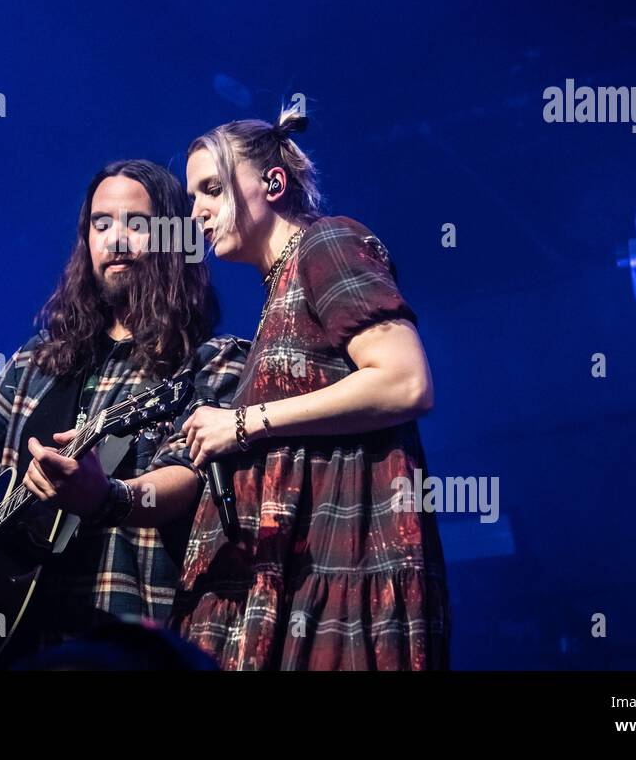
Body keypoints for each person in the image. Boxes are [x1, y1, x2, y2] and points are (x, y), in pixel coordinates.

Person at [0, 159, 248, 662]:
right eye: (100, 223)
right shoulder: (37, 361)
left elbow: (186, 476)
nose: (115, 239)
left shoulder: (210, 360)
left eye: (136, 224)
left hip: (115, 634)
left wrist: (108, 496)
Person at [174, 112, 449, 670]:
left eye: (211, 188)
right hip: (297, 580)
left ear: (272, 185)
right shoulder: (276, 296)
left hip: (345, 576)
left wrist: (245, 422)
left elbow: (405, 380)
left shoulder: (328, 243)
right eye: (192, 196)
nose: (197, 211)